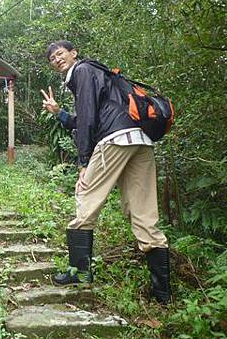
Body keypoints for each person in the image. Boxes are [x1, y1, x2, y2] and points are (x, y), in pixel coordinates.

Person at [41, 40, 171, 304]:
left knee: (86, 196)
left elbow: (89, 119)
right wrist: (59, 113)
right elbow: (89, 118)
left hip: (114, 139)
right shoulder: (97, 74)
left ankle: (79, 272)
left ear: (73, 53)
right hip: (139, 139)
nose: (56, 59)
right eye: (52, 58)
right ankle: (162, 294)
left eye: (60, 53)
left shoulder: (82, 71)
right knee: (144, 213)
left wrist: (84, 161)